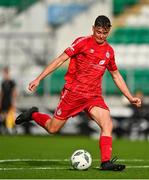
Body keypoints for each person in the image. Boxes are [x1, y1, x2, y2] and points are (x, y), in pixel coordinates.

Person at [15, 15, 141, 171]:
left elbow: (116, 75)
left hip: (93, 96)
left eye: (105, 33)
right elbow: (60, 59)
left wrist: (130, 97)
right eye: (99, 32)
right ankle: (33, 114)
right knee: (53, 129)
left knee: (107, 124)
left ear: (108, 32)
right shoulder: (82, 42)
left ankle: (105, 162)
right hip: (73, 94)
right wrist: (39, 78)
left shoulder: (109, 51)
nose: (101, 36)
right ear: (93, 29)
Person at [0, 67, 17, 134]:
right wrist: (0, 102)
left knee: (11, 116)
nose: (4, 75)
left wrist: (13, 102)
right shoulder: (3, 82)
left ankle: (13, 129)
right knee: (3, 116)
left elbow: (14, 92)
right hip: (4, 101)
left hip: (9, 100)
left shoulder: (11, 82)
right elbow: (2, 93)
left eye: (5, 73)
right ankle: (4, 129)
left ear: (8, 73)